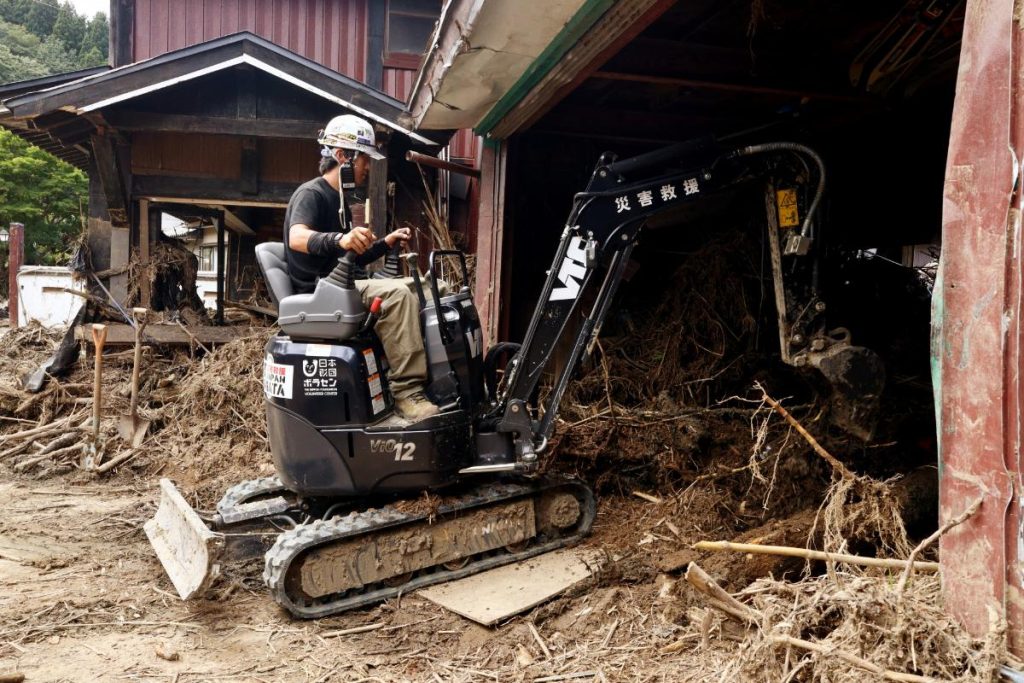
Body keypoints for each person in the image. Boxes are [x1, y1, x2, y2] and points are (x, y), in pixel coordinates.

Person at [283, 114, 439, 421]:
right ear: (342, 156)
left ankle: (439, 375)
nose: (368, 167)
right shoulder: (312, 194)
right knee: (396, 296)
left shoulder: (341, 200)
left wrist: (385, 243)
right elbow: (297, 238)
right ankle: (407, 392)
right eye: (365, 159)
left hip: (343, 283)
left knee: (433, 288)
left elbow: (350, 256)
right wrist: (341, 239)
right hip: (323, 291)